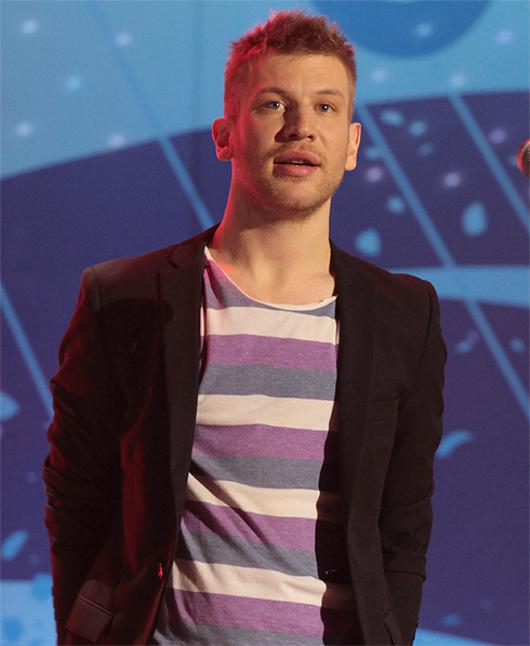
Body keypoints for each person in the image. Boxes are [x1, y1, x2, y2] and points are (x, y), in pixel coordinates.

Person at [43, 9, 446, 646]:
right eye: (273, 104)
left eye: (325, 107)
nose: (300, 127)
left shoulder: (404, 313)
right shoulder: (122, 297)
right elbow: (78, 500)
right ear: (225, 134)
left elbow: (403, 524)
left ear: (351, 144)